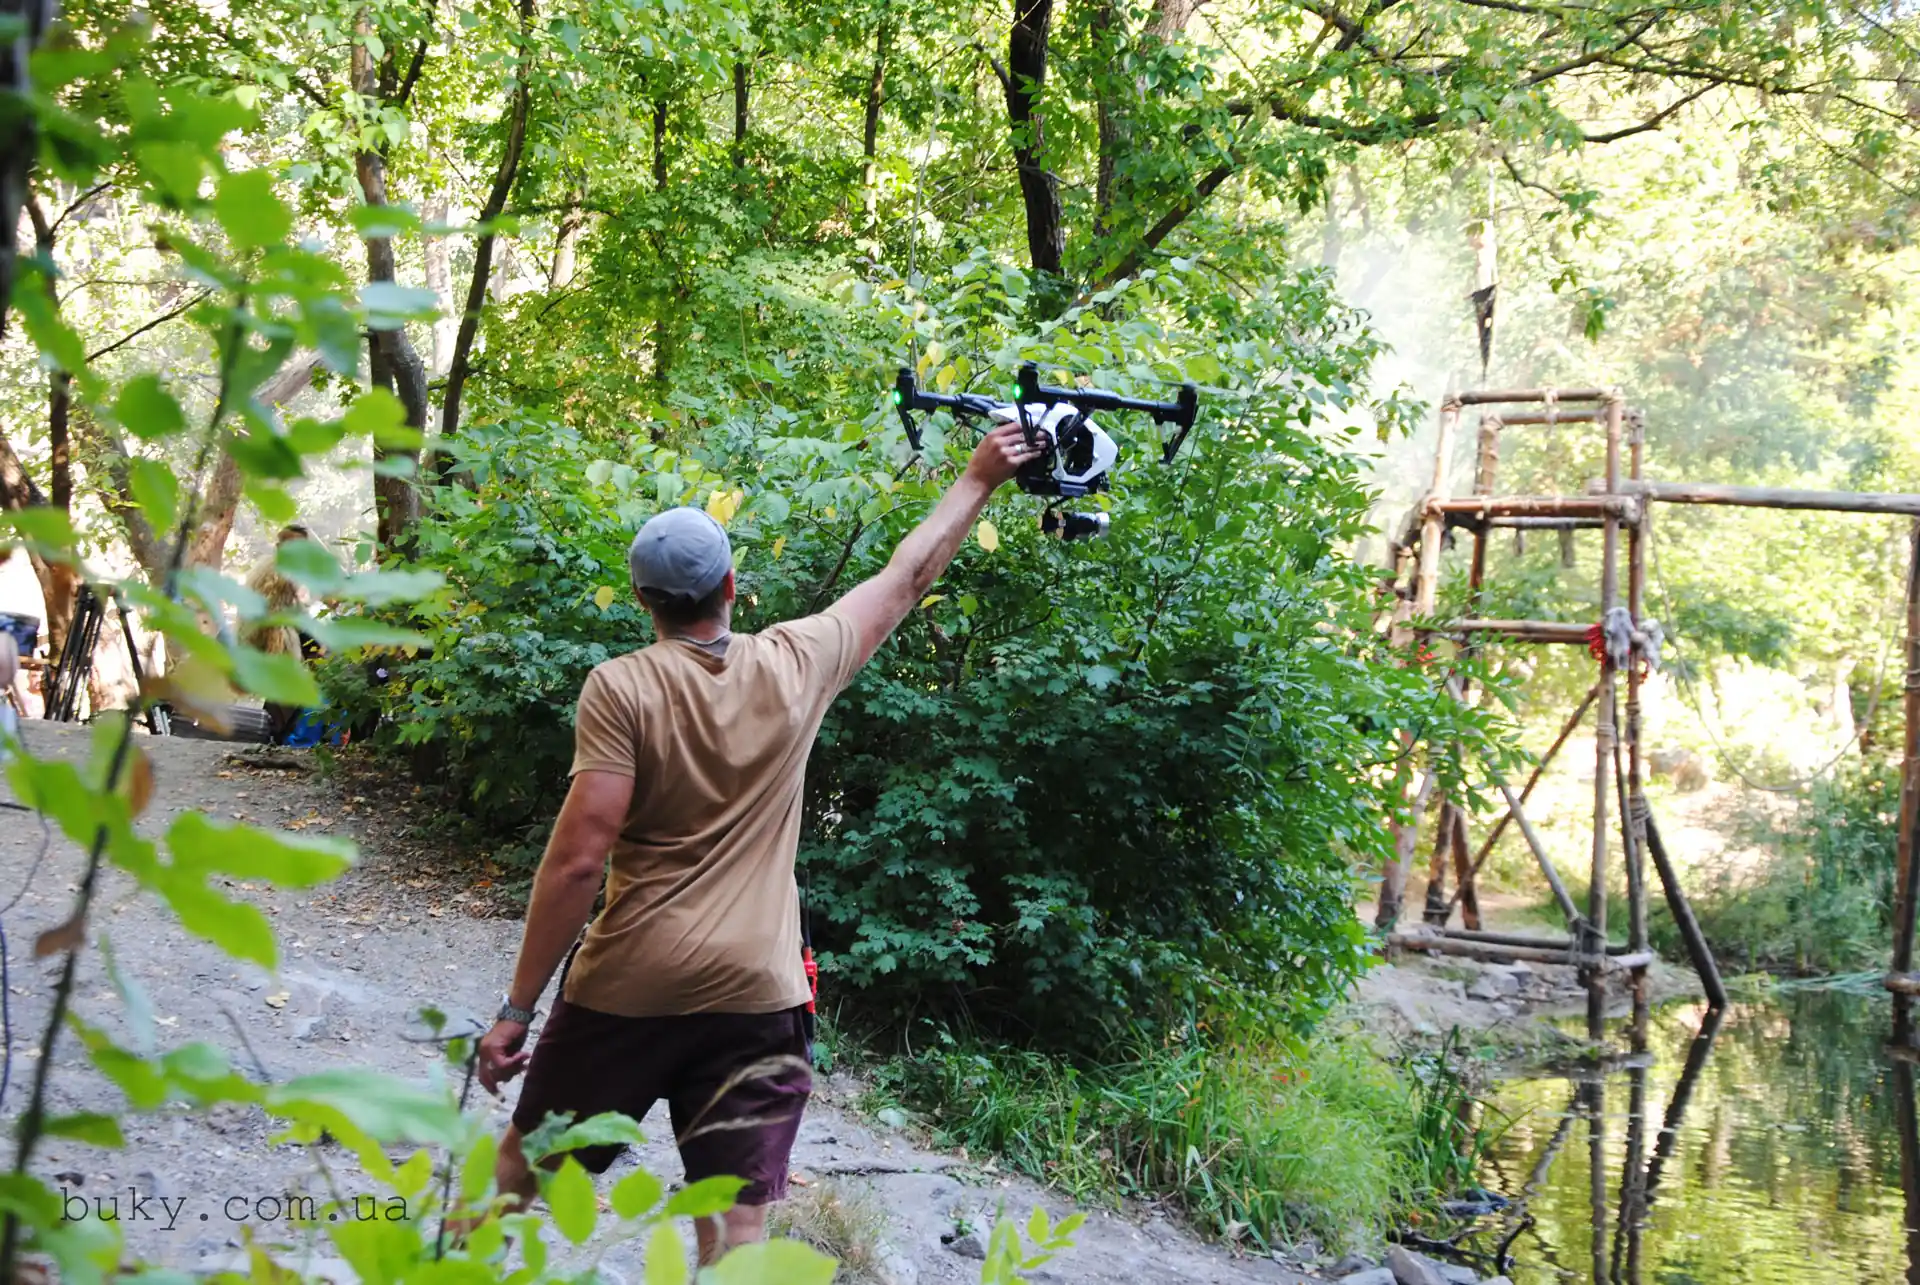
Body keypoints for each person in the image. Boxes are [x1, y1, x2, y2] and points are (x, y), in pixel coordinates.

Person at [473, 423, 1041, 1263]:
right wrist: (978, 477)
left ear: (643, 601)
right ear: (733, 584)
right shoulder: (796, 661)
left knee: (517, 1184)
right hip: (759, 997)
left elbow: (579, 858)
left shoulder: (620, 688)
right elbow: (905, 576)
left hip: (628, 990)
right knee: (736, 1228)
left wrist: (516, 1010)